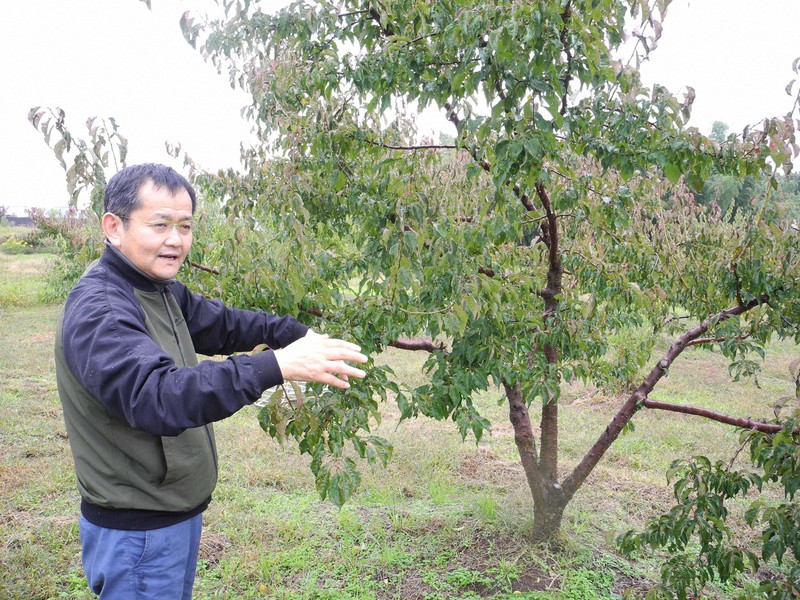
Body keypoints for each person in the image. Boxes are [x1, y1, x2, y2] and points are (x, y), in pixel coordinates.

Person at [54, 163, 368, 599]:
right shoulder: (102, 307)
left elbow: (222, 324)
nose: (176, 240)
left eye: (185, 226)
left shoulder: (156, 288)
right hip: (138, 528)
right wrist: (276, 365)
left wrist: (295, 335)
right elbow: (158, 397)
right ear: (114, 226)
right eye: (159, 224)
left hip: (170, 510)